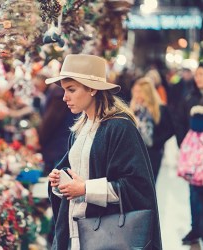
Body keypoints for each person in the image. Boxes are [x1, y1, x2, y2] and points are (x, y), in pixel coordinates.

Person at [46, 54, 162, 250]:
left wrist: (85, 189)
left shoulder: (120, 128)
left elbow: (137, 188)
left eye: (71, 90)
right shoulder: (80, 129)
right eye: (65, 90)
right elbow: (77, 176)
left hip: (106, 237)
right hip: (76, 235)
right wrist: (60, 183)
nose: (65, 97)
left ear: (92, 89)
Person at [176, 63, 203, 245]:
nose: (197, 78)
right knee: (195, 196)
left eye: (201, 74)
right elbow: (180, 123)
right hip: (196, 160)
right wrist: (187, 147)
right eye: (196, 74)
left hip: (202, 159)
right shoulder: (189, 97)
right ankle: (196, 227)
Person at [130, 77, 174, 181]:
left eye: (139, 91)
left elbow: (170, 129)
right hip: (134, 153)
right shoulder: (132, 109)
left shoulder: (160, 108)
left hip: (153, 153)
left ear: (147, 92)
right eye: (135, 91)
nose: (136, 94)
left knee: (150, 183)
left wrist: (156, 143)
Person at [33, 73, 76, 175]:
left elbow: (51, 120)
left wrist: (40, 138)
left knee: (59, 178)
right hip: (59, 143)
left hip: (58, 145)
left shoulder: (57, 92)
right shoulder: (54, 92)